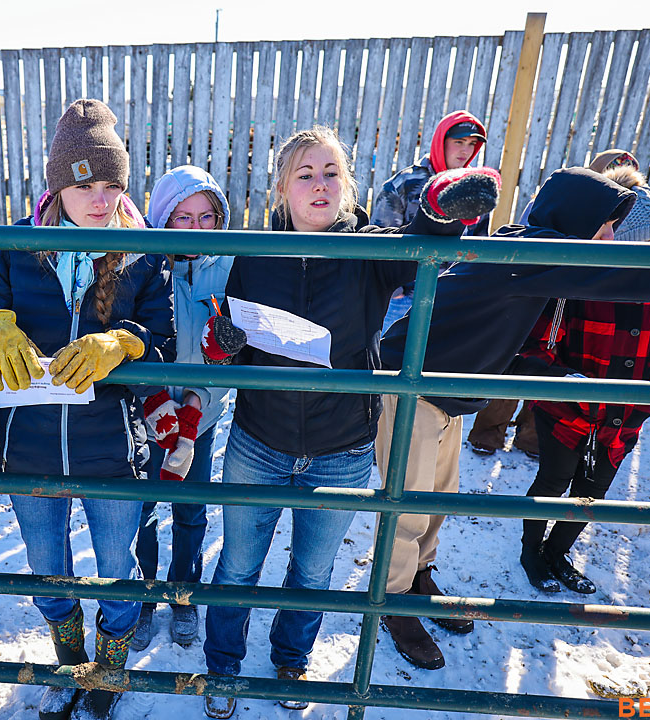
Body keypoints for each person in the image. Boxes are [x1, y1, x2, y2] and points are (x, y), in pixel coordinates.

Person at [198, 125, 501, 719]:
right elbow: (224, 343)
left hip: (342, 447)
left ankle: (290, 658)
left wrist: (441, 213)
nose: (319, 184)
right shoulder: (256, 253)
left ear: (348, 183)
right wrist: (224, 339)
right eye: (305, 174)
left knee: (312, 570)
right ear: (282, 189)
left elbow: (421, 249)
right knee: (238, 562)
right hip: (259, 441)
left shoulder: (369, 247)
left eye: (331, 172)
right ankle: (223, 665)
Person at [378, 167, 650, 670]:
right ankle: (392, 600)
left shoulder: (538, 253)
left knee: (438, 498)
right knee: (405, 505)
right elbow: (629, 280)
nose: (608, 240)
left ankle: (419, 576)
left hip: (452, 390)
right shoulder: (534, 251)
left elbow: (514, 340)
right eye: (605, 227)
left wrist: (560, 371)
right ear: (578, 219)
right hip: (413, 384)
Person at [0, 99, 175, 720]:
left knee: (116, 564)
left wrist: (126, 341)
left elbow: (161, 338)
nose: (102, 198)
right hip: (29, 444)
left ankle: (108, 665)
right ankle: (68, 653)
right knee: (45, 564)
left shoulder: (140, 254)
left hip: (109, 445)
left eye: (114, 184)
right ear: (60, 185)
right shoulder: (16, 247)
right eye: (87, 182)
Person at [518, 164, 650, 594]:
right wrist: (567, 382)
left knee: (592, 490)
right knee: (553, 481)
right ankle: (530, 551)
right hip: (566, 410)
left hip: (623, 417)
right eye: (649, 249)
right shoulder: (581, 290)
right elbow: (543, 346)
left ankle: (558, 552)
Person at [466, 149, 641, 458]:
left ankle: (531, 436)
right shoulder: (564, 207)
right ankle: (488, 432)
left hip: (573, 311)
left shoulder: (616, 217)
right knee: (514, 365)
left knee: (552, 369)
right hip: (536, 306)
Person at [132, 165, 233, 652]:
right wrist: (153, 403)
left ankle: (183, 594)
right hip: (145, 417)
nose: (194, 229)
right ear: (160, 220)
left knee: (191, 510)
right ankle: (145, 595)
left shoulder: (231, 263)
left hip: (202, 415)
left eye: (205, 217)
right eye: (181, 217)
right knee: (144, 510)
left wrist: (194, 411)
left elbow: (229, 350)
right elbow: (128, 339)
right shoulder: (139, 265)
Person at [371, 111, 490, 333]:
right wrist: (394, 290)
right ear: (440, 141)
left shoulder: (476, 190)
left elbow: (479, 242)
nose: (466, 150)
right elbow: (380, 236)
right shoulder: (404, 184)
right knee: (389, 359)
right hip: (405, 297)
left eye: (472, 144)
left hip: (453, 298)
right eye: (459, 142)